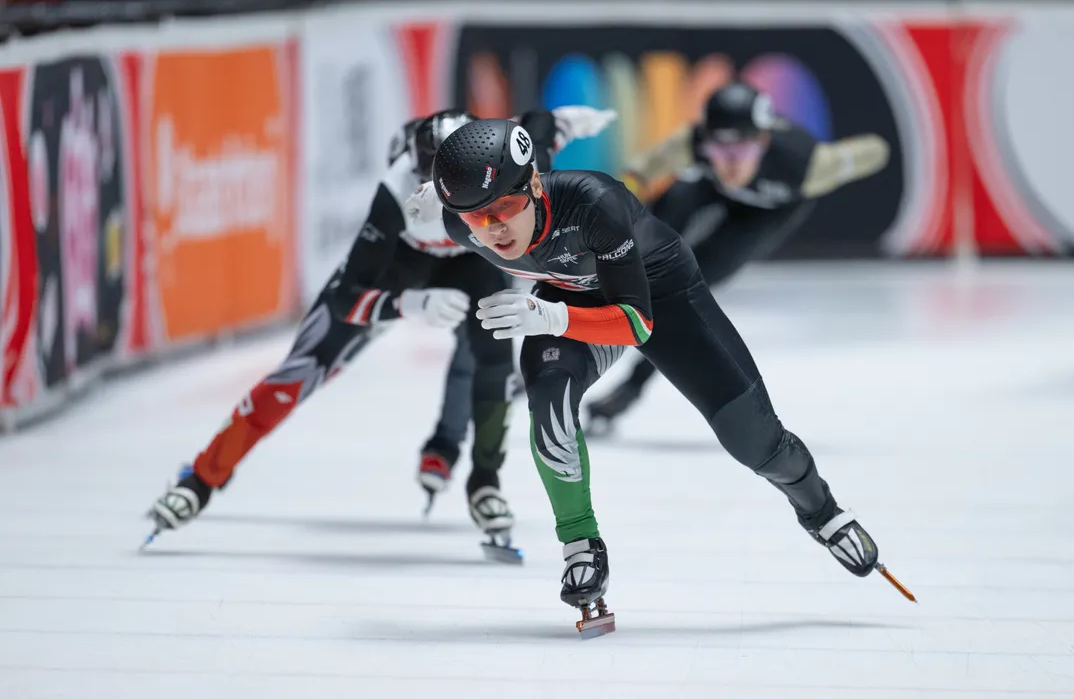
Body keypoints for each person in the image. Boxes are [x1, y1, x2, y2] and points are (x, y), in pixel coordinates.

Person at [404, 116, 906, 637]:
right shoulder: (457, 222)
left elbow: (637, 324)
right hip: (568, 301)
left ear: (532, 184)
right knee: (548, 397)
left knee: (755, 442)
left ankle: (822, 512)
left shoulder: (593, 202)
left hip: (659, 296)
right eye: (478, 218)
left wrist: (550, 316)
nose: (495, 230)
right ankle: (580, 543)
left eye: (505, 209)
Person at [144, 106, 615, 561]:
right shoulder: (395, 191)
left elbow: (537, 129)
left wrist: (565, 122)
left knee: (493, 357)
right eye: (436, 182)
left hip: (474, 263)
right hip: (402, 264)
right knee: (299, 371)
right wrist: (406, 303)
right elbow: (346, 298)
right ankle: (202, 477)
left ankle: (485, 479)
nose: (448, 194)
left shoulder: (504, 160)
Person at [586, 80, 891, 435]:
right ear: (705, 140)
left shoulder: (807, 165)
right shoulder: (691, 143)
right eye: (719, 149)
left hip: (765, 213)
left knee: (686, 290)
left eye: (741, 151)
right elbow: (637, 173)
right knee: (650, 232)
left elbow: (876, 150)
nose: (730, 164)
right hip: (707, 187)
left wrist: (858, 156)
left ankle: (630, 388)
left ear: (764, 141)